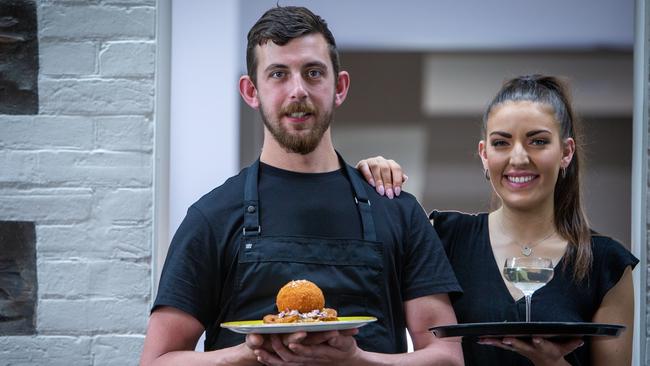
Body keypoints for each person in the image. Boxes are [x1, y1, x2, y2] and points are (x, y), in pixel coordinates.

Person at [140, 6, 464, 366]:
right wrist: (248, 354)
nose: (298, 90)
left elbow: (447, 358)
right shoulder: (212, 217)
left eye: (313, 73)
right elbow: (157, 361)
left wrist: (356, 361)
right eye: (278, 74)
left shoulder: (397, 209)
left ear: (339, 87)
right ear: (251, 91)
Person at [356, 74, 637, 366]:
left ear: (566, 152)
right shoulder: (446, 237)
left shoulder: (606, 264)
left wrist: (551, 363)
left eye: (538, 141)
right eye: (501, 143)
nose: (518, 158)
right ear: (484, 155)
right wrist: (368, 179)